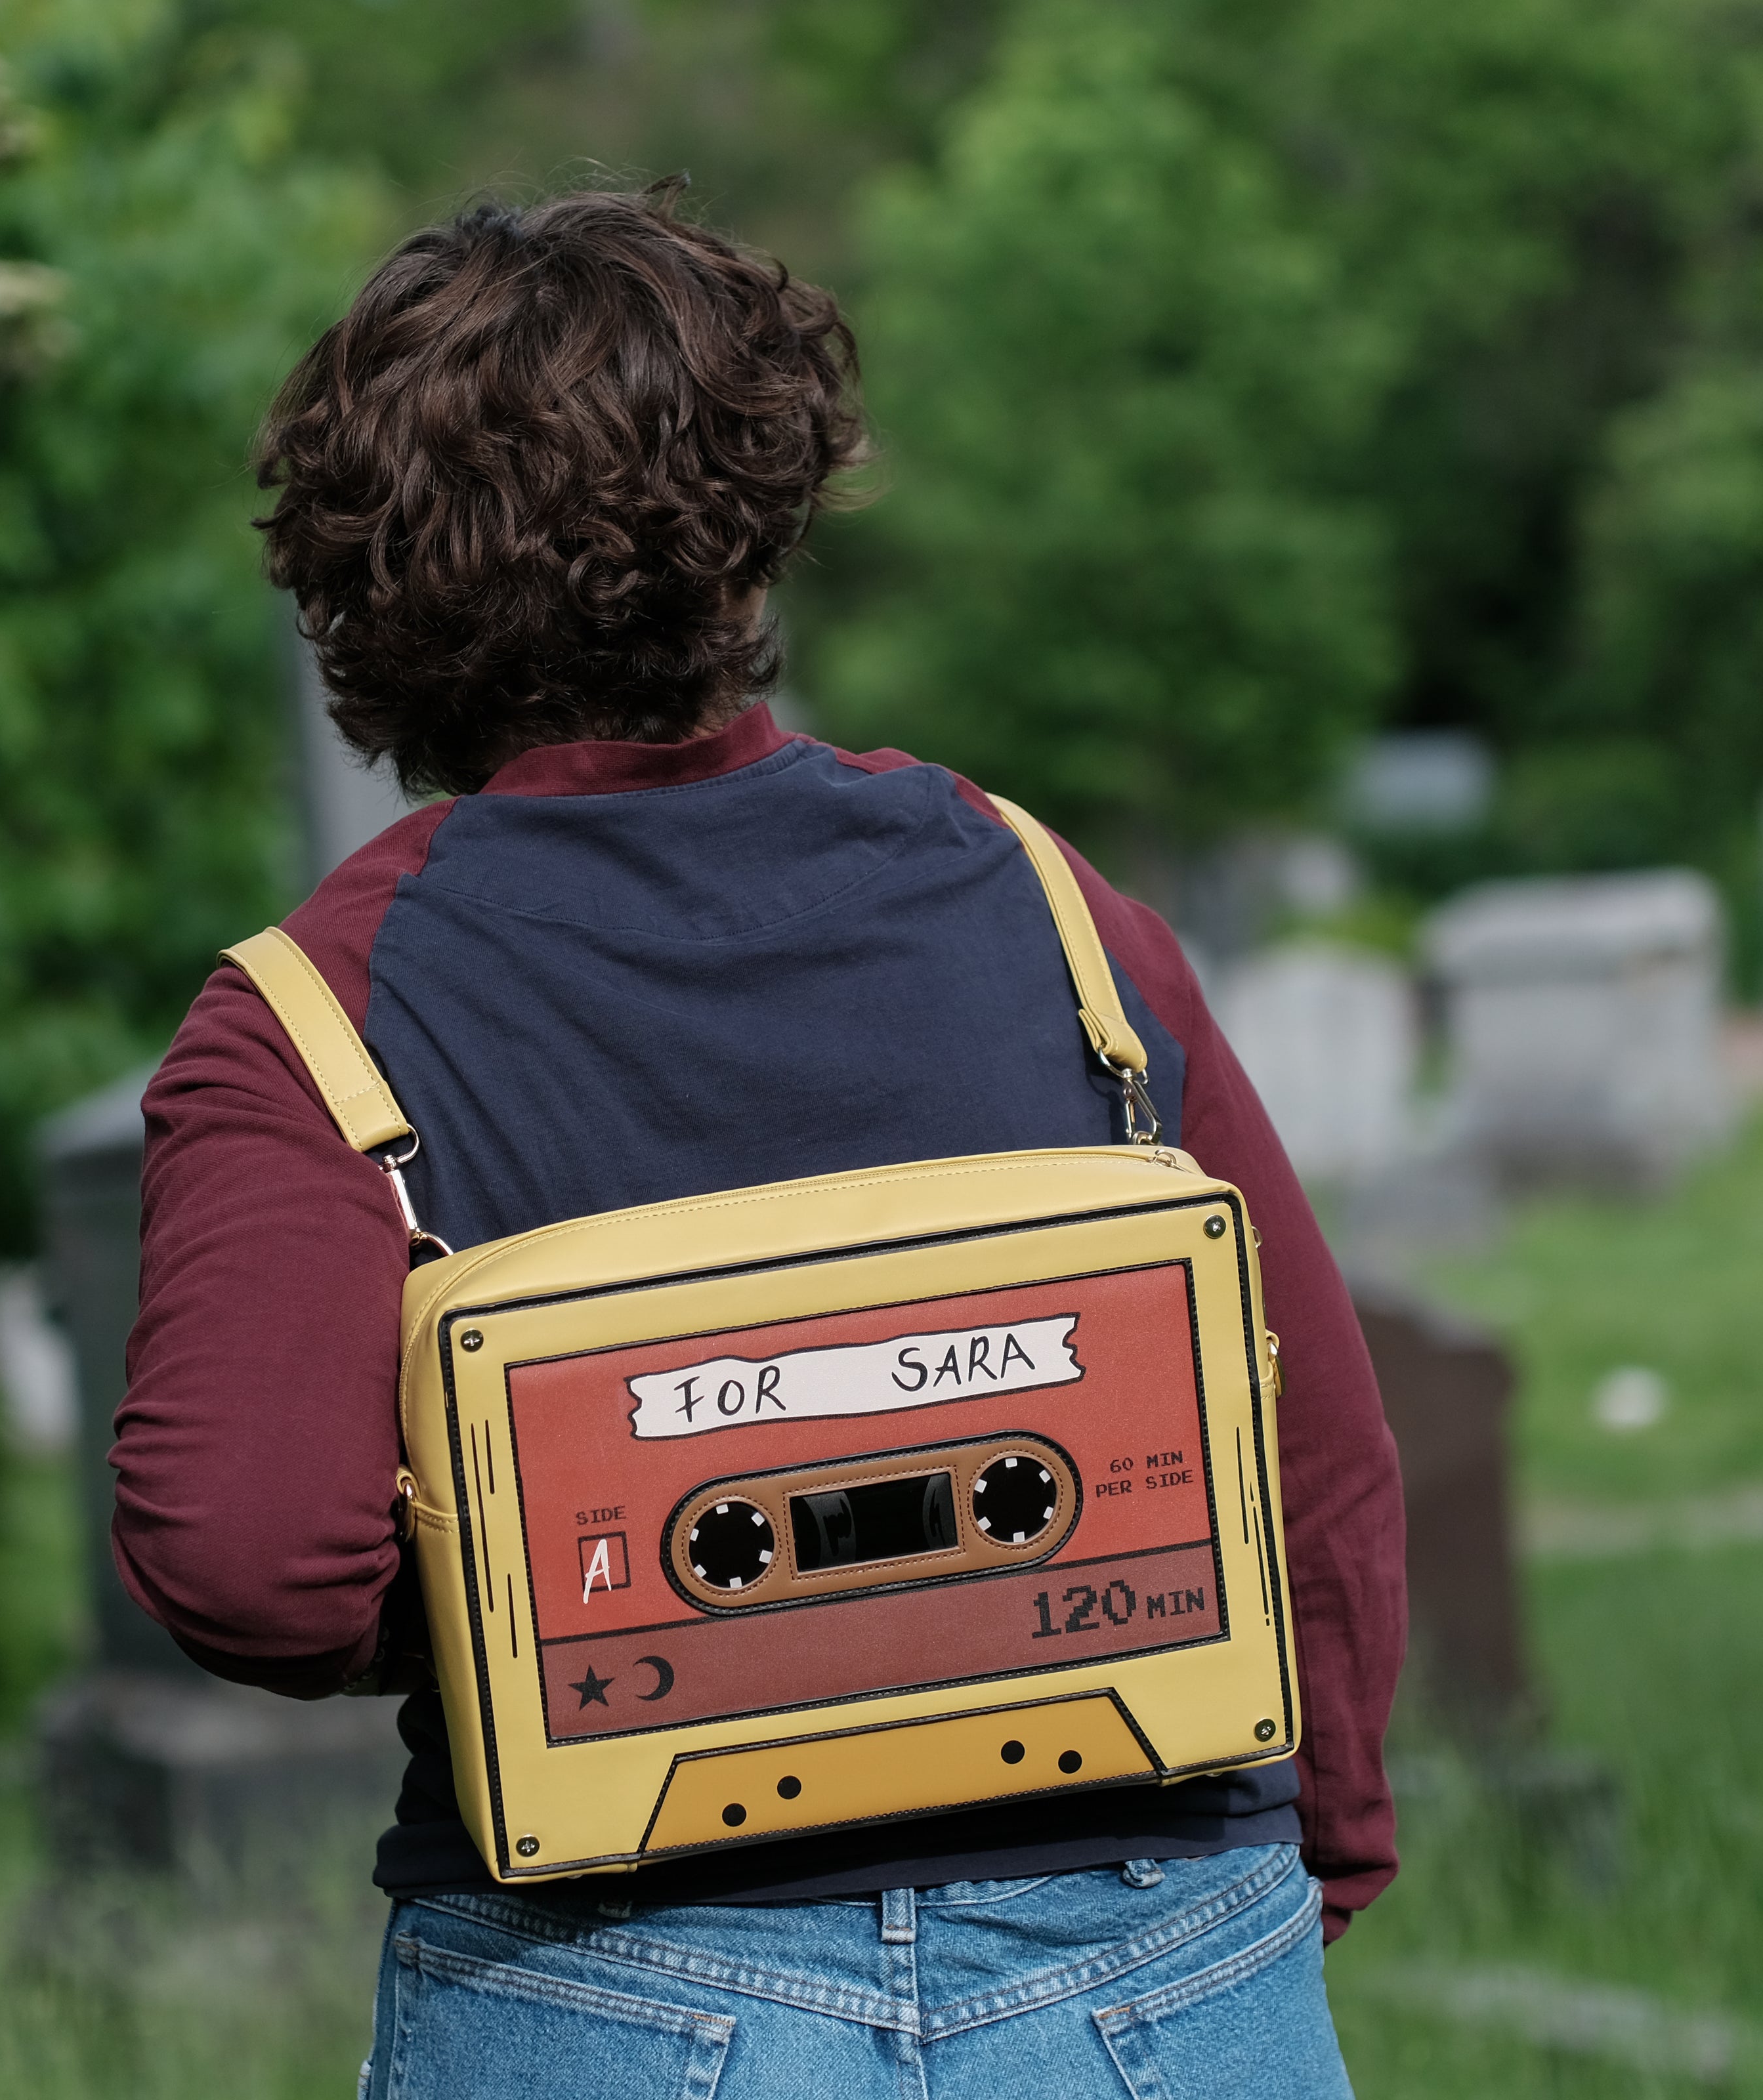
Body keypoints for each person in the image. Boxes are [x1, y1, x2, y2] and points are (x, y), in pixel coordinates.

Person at [112, 178, 1404, 2098]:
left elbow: (246, 1562)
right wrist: (1326, 1839)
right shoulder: (1049, 904)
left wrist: (552, 1575)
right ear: (756, 523)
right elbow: (1309, 1444)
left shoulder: (309, 1024)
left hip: (610, 1976)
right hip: (1149, 1941)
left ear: (351, 587)